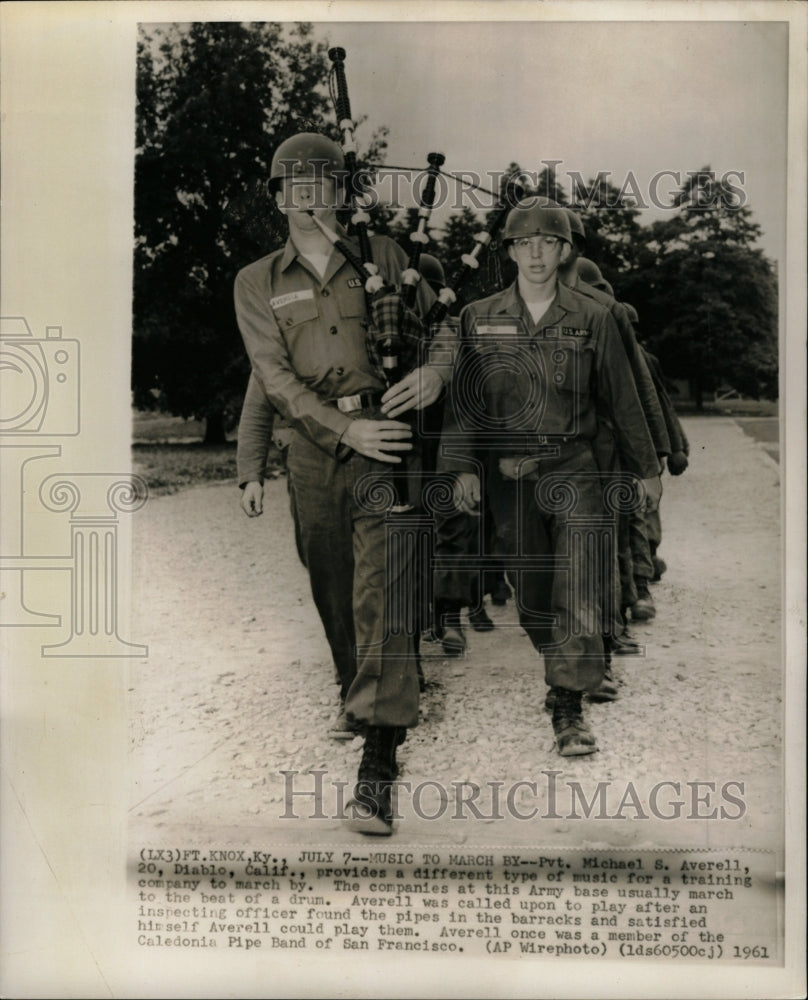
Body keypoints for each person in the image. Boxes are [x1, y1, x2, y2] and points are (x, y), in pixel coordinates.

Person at [233, 133, 453, 834]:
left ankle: (379, 766)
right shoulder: (257, 281)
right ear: (277, 198)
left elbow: (448, 323)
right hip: (313, 449)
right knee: (331, 581)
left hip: (383, 444)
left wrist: (437, 369)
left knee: (380, 588)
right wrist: (333, 430)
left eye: (322, 184)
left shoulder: (385, 256)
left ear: (341, 193)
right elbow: (272, 379)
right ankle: (353, 690)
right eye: (294, 186)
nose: (308, 198)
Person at [439, 203, 660, 756]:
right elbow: (465, 405)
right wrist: (462, 466)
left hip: (575, 466)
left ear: (564, 251)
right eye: (525, 243)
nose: (536, 253)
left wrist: (648, 468)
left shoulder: (595, 316)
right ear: (510, 251)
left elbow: (623, 398)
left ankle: (567, 705)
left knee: (580, 583)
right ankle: (560, 661)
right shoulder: (478, 316)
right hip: (509, 475)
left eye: (547, 243)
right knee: (534, 595)